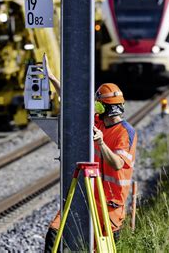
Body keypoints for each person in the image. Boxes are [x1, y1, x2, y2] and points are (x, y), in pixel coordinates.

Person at [44, 82, 137, 252]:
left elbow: (117, 164)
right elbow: (73, 103)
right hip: (87, 197)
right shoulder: (99, 123)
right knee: (54, 234)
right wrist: (51, 78)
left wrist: (101, 143)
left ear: (106, 108)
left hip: (110, 207)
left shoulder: (125, 132)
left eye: (99, 104)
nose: (96, 108)